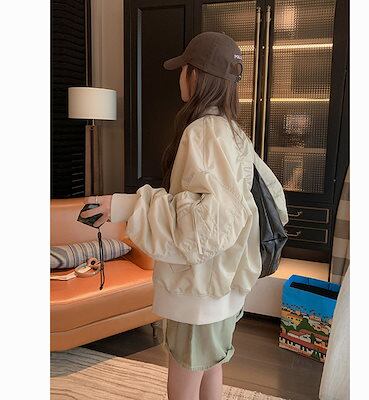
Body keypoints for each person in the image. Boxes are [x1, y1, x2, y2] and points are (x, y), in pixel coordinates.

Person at [81, 31, 289, 400]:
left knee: (185, 375)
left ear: (196, 75)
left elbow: (204, 223)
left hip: (199, 285)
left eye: (184, 69)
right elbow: (268, 198)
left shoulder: (203, 132)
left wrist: (124, 206)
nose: (180, 76)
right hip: (224, 280)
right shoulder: (234, 133)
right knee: (210, 364)